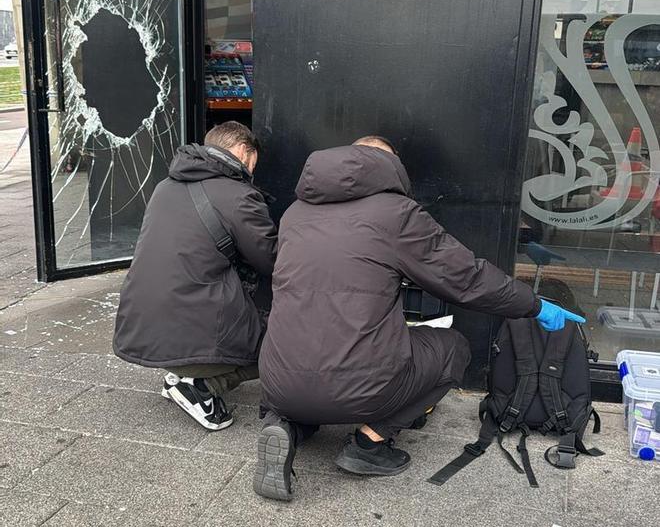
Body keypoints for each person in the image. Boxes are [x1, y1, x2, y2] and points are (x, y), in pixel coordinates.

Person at [253, 136, 584, 501]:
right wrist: (534, 305)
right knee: (452, 347)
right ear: (388, 167)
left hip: (277, 381)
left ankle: (285, 426)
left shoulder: (295, 213)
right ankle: (369, 444)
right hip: (358, 389)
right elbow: (467, 278)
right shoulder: (395, 213)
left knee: (316, 369)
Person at [114, 121, 277, 431]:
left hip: (144, 324)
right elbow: (271, 259)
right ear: (245, 152)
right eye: (255, 160)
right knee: (282, 344)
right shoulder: (238, 195)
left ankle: (183, 370)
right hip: (188, 325)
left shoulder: (165, 186)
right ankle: (200, 387)